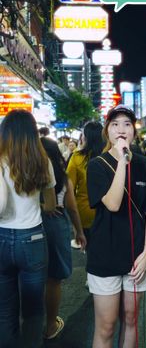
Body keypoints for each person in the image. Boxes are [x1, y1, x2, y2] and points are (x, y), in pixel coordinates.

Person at [86, 105, 146, 348]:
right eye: (115, 124)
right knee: (107, 325)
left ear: (134, 131)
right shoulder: (96, 166)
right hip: (105, 254)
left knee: (131, 319)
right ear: (107, 130)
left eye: (127, 124)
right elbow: (113, 203)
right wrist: (122, 161)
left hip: (137, 256)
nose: (122, 129)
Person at [0, 109, 56, 348]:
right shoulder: (43, 160)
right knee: (33, 311)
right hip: (33, 238)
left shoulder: (0, 159)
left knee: (4, 310)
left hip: (2, 237)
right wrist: (34, 204)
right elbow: (52, 204)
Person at [40, 137, 87, 340]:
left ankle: (28, 325)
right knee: (54, 278)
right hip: (57, 225)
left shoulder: (27, 173)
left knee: (31, 276)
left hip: (31, 224)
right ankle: (50, 325)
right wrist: (79, 232)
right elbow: (72, 208)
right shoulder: (62, 176)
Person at [66, 121, 104, 245]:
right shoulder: (110, 155)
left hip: (85, 212)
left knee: (90, 249)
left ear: (85, 137)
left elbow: (69, 187)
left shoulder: (77, 157)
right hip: (109, 211)